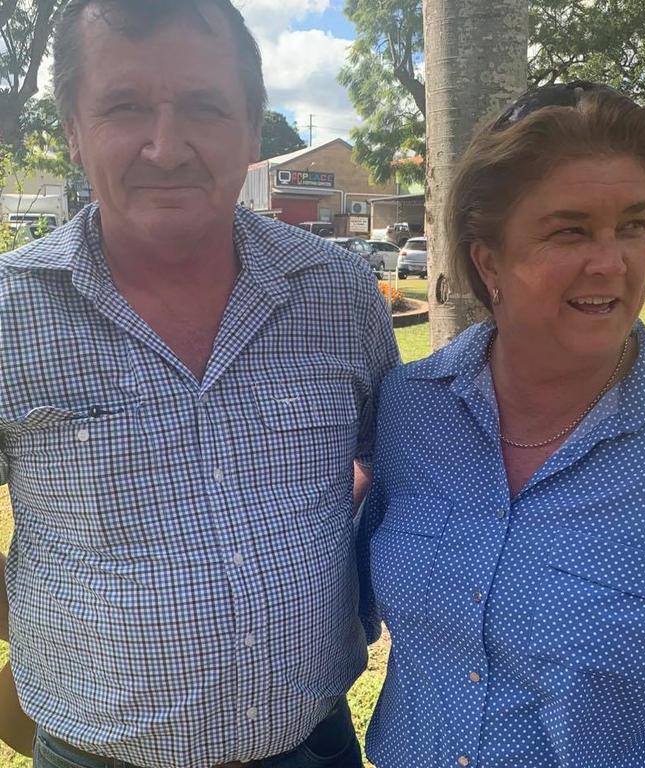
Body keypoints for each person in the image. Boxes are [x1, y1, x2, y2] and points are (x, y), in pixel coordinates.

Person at [0, 1, 399, 767]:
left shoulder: (340, 294)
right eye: (124, 106)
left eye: (204, 107)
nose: (165, 145)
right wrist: (59, 629)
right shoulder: (9, 315)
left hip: (309, 748)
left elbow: (403, 476)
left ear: (252, 129)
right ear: (74, 133)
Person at [360, 82, 645, 768]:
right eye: (570, 230)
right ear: (488, 259)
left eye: (633, 226)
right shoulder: (409, 409)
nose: (611, 262)